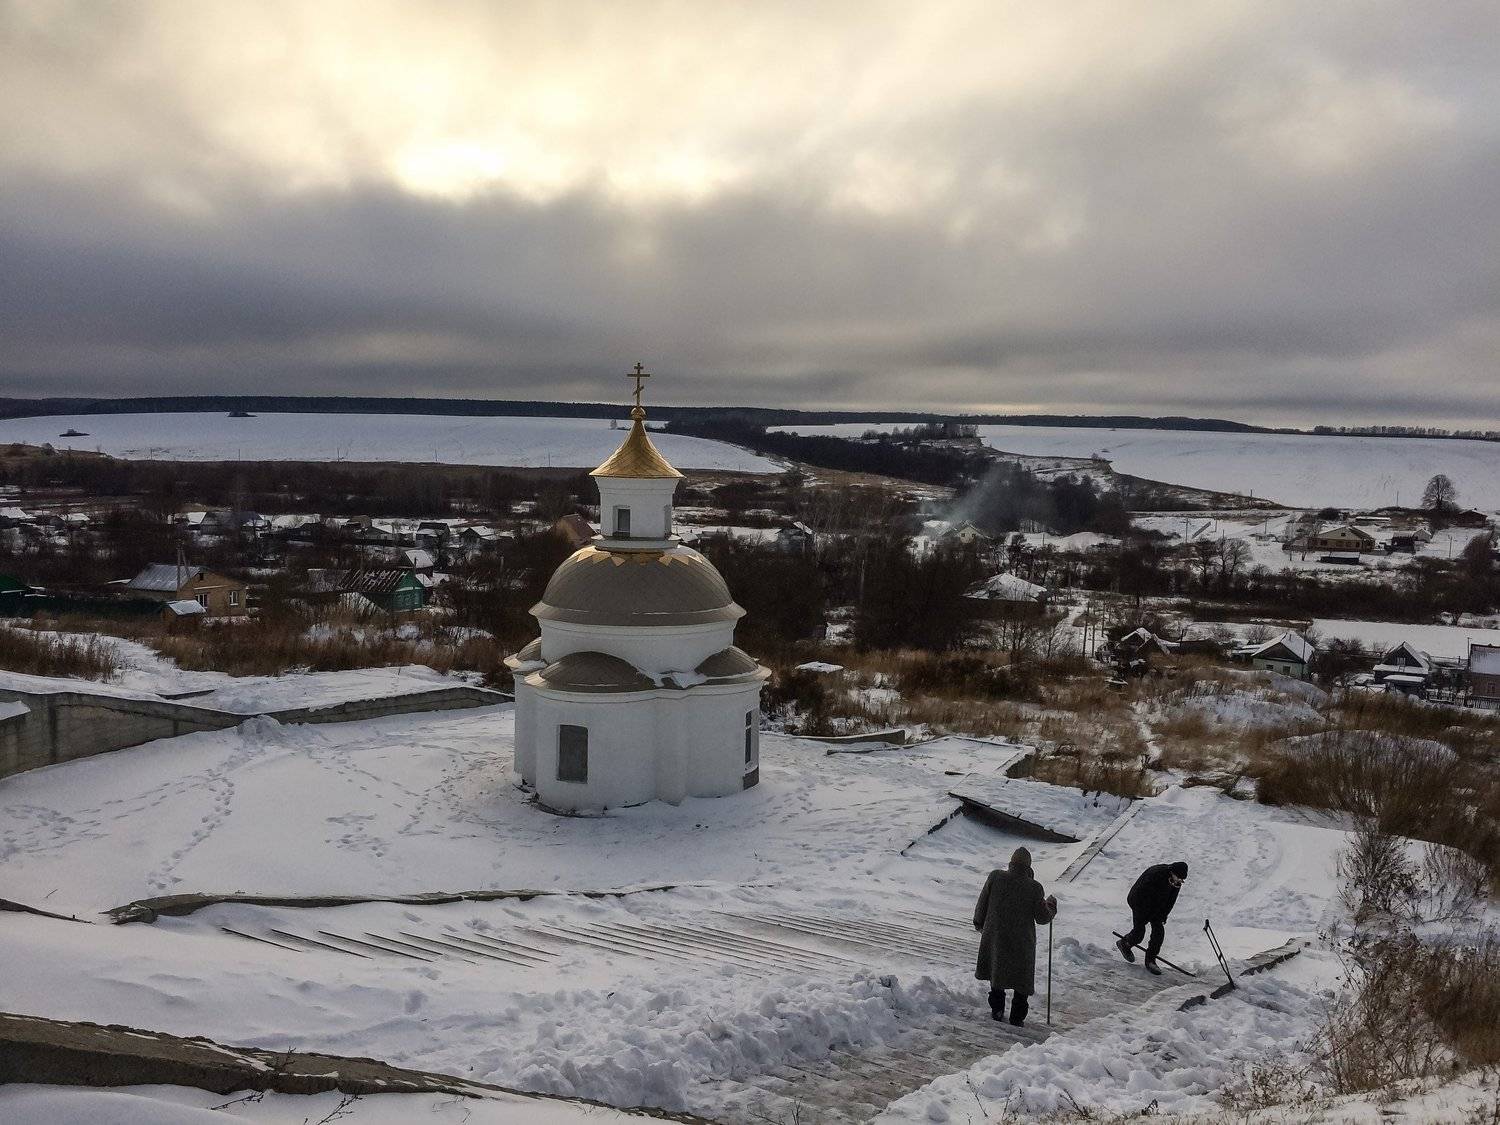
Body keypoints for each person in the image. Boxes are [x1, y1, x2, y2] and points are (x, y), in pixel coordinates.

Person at [973, 846, 1058, 1026]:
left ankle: (997, 1010)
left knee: (997, 974)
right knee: (1021, 982)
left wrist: (979, 922)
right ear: (1029, 867)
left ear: (1011, 863)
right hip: (1022, 943)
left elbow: (982, 903)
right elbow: (1042, 918)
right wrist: (1051, 906)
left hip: (996, 937)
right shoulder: (1034, 888)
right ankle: (1017, 1018)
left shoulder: (995, 877)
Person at [1116, 861, 1188, 974]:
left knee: (1159, 933)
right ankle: (1125, 943)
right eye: (1178, 878)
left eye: (1181, 880)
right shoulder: (1156, 874)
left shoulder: (1176, 882)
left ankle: (1150, 960)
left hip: (1156, 907)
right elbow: (1142, 893)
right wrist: (1147, 915)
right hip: (1138, 901)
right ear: (1172, 872)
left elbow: (1170, 901)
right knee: (1139, 933)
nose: (1179, 881)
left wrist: (1163, 915)